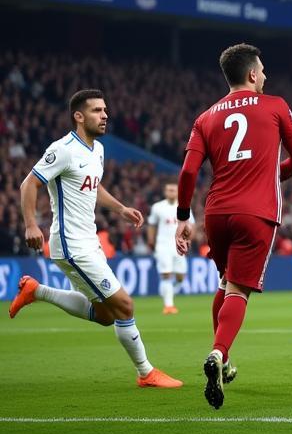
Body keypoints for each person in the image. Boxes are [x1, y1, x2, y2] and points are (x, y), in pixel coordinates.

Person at [8, 89, 181, 388]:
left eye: (105, 110)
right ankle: (146, 372)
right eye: (97, 111)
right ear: (79, 116)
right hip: (71, 244)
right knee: (124, 306)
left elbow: (94, 186)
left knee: (104, 315)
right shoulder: (62, 149)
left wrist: (121, 208)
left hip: (89, 241)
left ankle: (37, 292)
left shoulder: (97, 149)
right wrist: (30, 225)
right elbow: (29, 184)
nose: (105, 115)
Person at [176, 43, 292, 408]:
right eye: (262, 70)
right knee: (238, 290)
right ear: (252, 74)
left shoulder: (205, 117)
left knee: (224, 282)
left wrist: (183, 217)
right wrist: (275, 173)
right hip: (256, 212)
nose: (265, 75)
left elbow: (188, 171)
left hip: (215, 213)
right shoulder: (276, 105)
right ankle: (218, 354)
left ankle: (226, 360)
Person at [147, 183, 193, 314]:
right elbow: (152, 225)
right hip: (163, 245)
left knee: (180, 277)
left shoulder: (184, 207)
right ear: (165, 192)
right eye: (168, 190)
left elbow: (192, 225)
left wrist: (188, 240)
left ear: (178, 192)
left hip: (178, 245)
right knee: (166, 274)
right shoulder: (158, 207)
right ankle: (169, 305)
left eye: (173, 190)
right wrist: (151, 241)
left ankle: (167, 293)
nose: (171, 192)